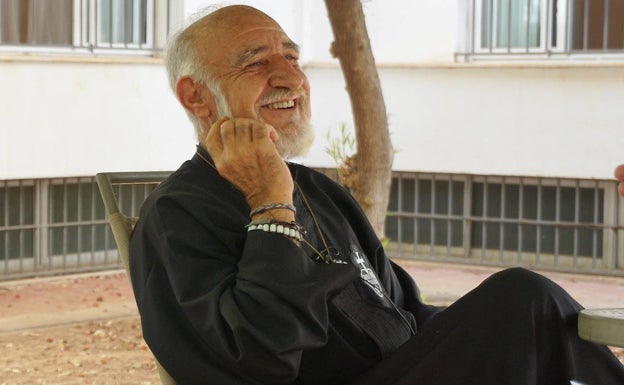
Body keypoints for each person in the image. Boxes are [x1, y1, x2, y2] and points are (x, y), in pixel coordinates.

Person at [129, 5, 624, 385]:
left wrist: (490, 332)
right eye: (256, 62)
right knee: (522, 296)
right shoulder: (178, 213)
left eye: (292, 56)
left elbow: (403, 312)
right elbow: (259, 358)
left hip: (401, 370)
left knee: (521, 310)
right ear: (196, 96)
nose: (291, 77)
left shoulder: (317, 190)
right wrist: (271, 207)